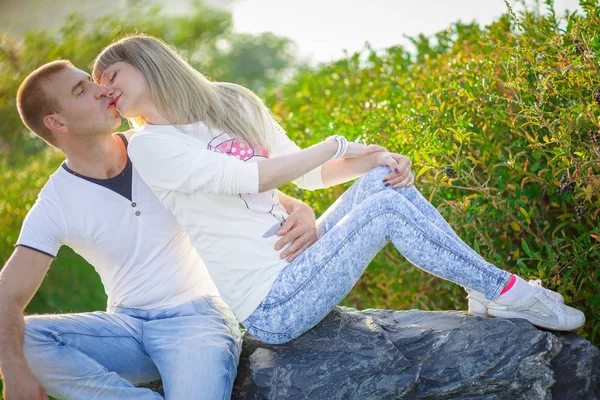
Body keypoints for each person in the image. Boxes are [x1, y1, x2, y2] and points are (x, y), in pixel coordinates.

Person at [92, 34, 585, 345]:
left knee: (379, 183)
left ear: (148, 60)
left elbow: (305, 174)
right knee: (385, 210)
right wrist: (337, 143)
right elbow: (259, 177)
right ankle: (503, 289)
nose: (105, 89)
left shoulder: (233, 101)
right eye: (97, 87)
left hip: (299, 260)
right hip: (271, 303)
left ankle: (484, 290)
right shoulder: (151, 146)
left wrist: (375, 157)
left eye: (110, 74)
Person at [0, 60, 319, 399]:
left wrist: (301, 208)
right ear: (57, 122)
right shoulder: (54, 202)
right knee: (29, 338)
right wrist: (13, 370)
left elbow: (247, 186)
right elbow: (7, 296)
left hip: (197, 319)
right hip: (126, 328)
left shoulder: (158, 146)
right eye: (82, 90)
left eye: (91, 81)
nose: (102, 90)